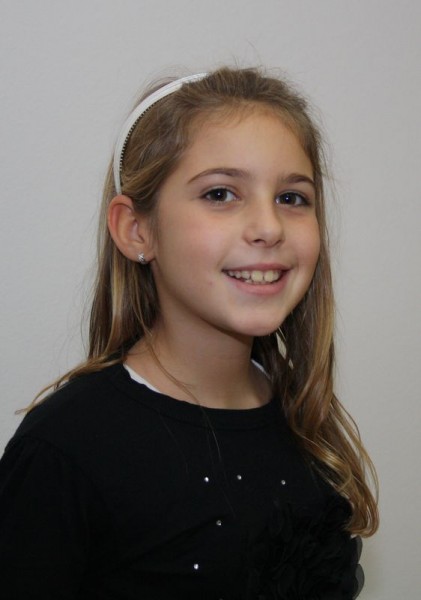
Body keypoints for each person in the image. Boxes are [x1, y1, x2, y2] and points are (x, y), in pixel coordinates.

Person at [0, 67, 378, 599]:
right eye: (221, 193)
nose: (268, 227)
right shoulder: (65, 449)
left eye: (292, 198)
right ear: (137, 230)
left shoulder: (306, 418)